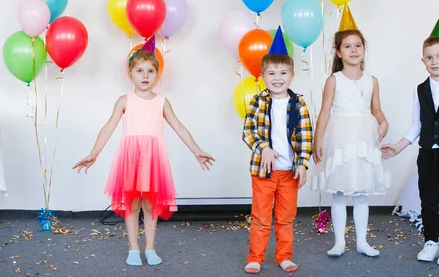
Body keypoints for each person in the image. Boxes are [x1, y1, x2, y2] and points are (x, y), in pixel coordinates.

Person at [73, 36, 215, 266]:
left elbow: (179, 126)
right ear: (130, 74)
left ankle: (150, 247)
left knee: (150, 204)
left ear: (158, 74)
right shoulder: (124, 100)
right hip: (130, 159)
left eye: (150, 71)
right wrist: (94, 153)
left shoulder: (162, 102)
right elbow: (108, 127)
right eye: (139, 70)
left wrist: (196, 150)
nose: (145, 76)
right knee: (132, 203)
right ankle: (132, 248)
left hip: (153, 159)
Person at [382, 11, 439, 267]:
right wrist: (399, 147)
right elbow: (417, 124)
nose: (435, 62)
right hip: (428, 155)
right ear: (423, 60)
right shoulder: (420, 89)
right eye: (430, 58)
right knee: (428, 200)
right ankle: (431, 242)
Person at [311, 7, 390, 258]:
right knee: (339, 191)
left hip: (363, 139)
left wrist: (384, 121)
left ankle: (362, 241)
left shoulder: (372, 80)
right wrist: (318, 140)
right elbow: (324, 112)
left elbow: (376, 109)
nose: (354, 50)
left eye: (358, 45)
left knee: (360, 192)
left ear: (364, 50)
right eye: (347, 46)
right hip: (340, 137)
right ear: (338, 52)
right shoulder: (334, 80)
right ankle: (339, 242)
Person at [242, 27, 313, 274]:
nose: (277, 77)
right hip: (264, 172)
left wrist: (302, 164)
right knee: (261, 217)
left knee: (285, 218)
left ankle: (284, 256)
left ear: (292, 76)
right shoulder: (258, 101)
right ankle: (255, 257)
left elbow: (305, 137)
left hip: (288, 173)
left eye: (283, 72)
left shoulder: (299, 103)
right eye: (271, 73)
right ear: (262, 75)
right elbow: (248, 131)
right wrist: (263, 148)